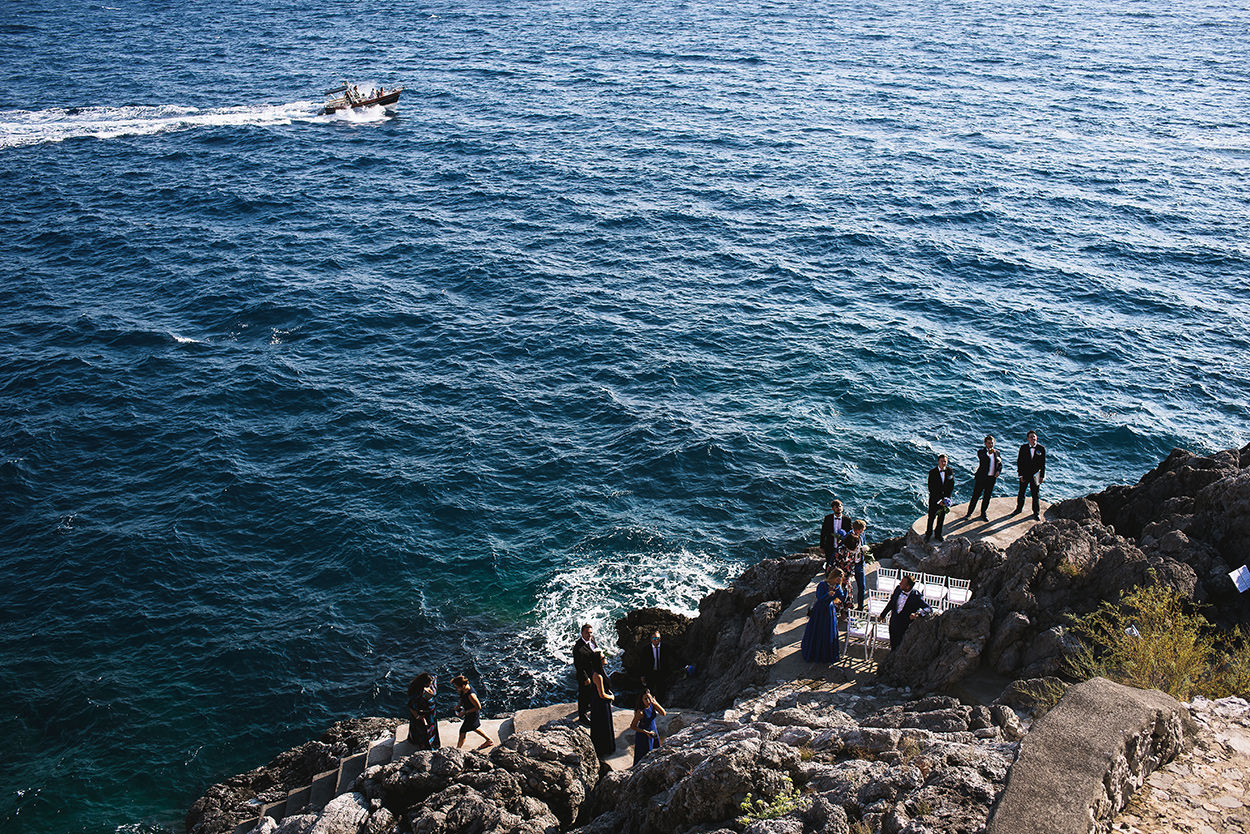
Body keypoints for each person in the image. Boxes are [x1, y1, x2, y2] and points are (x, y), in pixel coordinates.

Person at [800, 567, 848, 663]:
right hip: (820, 610)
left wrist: (846, 589)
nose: (839, 580)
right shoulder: (822, 584)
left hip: (829, 610)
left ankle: (825, 654)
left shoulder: (837, 587)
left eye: (841, 578)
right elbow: (819, 598)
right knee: (817, 630)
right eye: (838, 577)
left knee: (827, 631)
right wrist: (828, 595)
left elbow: (842, 599)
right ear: (834, 576)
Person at [877, 574, 932, 650]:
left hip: (905, 626)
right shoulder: (898, 589)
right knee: (893, 645)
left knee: (902, 647)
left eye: (902, 582)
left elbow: (928, 608)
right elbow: (891, 603)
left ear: (907, 587)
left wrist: (918, 614)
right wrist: (883, 615)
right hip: (894, 622)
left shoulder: (916, 596)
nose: (899, 583)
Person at [965, 435, 1003, 521]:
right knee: (975, 496)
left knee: (987, 497)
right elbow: (983, 459)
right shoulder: (981, 452)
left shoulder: (997, 452)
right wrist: (989, 453)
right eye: (989, 443)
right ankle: (969, 513)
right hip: (981, 478)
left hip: (991, 478)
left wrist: (998, 471)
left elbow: (1000, 464)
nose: (990, 445)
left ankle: (983, 513)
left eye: (992, 443)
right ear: (985, 443)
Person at [588, 650, 616, 762]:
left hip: (600, 702)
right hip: (600, 703)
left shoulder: (599, 671)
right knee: (603, 725)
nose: (605, 658)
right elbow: (602, 694)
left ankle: (604, 748)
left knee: (603, 724)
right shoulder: (598, 676)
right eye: (603, 657)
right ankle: (603, 749)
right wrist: (611, 697)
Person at [1012, 431, 1046, 520]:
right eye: (1031, 437)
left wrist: (1042, 476)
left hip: (1035, 475)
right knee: (1021, 493)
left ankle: (1036, 513)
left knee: (1035, 494)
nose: (1033, 438)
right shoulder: (1023, 448)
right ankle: (1018, 509)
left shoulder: (1041, 448)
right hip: (1025, 474)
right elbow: (1019, 462)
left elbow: (1043, 464)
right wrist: (1020, 475)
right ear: (1028, 439)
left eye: (1034, 437)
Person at [451, 675, 492, 750]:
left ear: (462, 685)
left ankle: (458, 749)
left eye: (457, 687)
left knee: (462, 731)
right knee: (474, 727)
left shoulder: (471, 695)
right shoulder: (464, 689)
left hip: (472, 714)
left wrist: (465, 712)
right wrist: (459, 705)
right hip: (468, 713)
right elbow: (462, 698)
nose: (456, 689)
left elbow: (478, 707)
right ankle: (489, 740)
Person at [629, 688, 666, 766]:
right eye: (645, 699)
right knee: (644, 757)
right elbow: (632, 726)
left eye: (649, 698)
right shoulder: (640, 712)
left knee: (656, 752)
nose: (648, 700)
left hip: (653, 731)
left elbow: (663, 713)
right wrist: (646, 732)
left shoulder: (652, 705)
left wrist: (655, 703)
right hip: (644, 735)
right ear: (642, 700)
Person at [636, 631, 674, 701]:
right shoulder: (646, 649)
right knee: (650, 691)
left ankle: (660, 704)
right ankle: (650, 705)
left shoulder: (665, 647)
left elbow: (674, 657)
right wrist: (642, 675)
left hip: (662, 672)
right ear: (651, 639)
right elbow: (642, 663)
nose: (656, 640)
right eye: (654, 638)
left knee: (661, 690)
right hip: (650, 673)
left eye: (657, 638)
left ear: (660, 638)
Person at [572, 623, 599, 724]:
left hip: (593, 672)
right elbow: (578, 666)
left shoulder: (592, 640)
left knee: (591, 692)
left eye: (591, 633)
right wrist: (585, 678)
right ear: (582, 633)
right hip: (584, 675)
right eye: (587, 633)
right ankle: (582, 716)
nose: (589, 635)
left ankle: (589, 706)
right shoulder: (578, 648)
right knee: (583, 695)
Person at [925, 454, 955, 542]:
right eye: (942, 461)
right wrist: (939, 500)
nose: (943, 463)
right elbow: (931, 488)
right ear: (938, 462)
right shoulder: (932, 472)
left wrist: (946, 499)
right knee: (931, 517)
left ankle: (938, 534)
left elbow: (951, 485)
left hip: (944, 500)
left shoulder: (950, 471)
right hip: (935, 500)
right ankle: (928, 534)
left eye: (945, 461)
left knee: (941, 518)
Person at [406, 673, 440, 751]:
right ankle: (425, 746)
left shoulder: (431, 684)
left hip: (431, 713)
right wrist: (417, 716)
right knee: (422, 730)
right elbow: (411, 706)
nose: (430, 685)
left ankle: (433, 744)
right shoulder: (417, 693)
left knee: (432, 728)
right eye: (429, 684)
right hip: (422, 714)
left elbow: (435, 677)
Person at [842, 519, 869, 609]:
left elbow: (864, 544)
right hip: (850, 564)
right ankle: (845, 607)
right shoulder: (848, 536)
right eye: (862, 530)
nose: (863, 532)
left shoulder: (862, 535)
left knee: (862, 586)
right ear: (857, 530)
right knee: (846, 586)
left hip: (859, 564)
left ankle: (860, 607)